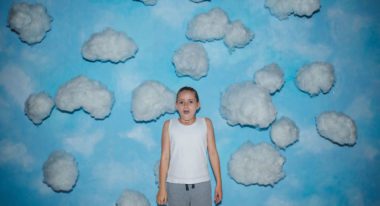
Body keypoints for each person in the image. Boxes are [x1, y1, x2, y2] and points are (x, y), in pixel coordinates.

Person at [156, 86, 223, 206]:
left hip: (202, 184)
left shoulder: (206, 124)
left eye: (190, 102)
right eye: (181, 102)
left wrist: (219, 183)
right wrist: (162, 188)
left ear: (198, 105)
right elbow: (165, 157)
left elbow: (213, 153)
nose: (186, 105)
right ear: (176, 105)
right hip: (175, 185)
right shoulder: (169, 125)